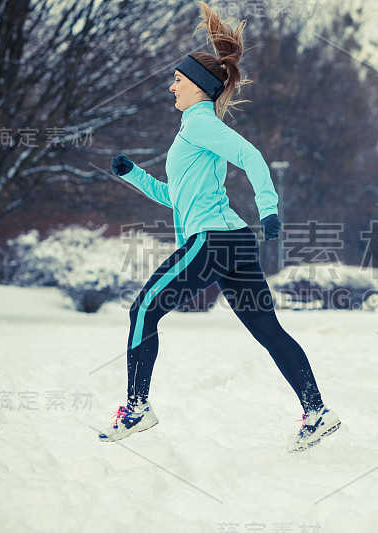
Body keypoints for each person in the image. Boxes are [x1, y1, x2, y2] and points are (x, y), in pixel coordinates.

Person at [99, 1, 340, 452]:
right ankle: (317, 411)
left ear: (197, 87)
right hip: (233, 244)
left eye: (177, 79)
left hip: (213, 241)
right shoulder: (193, 130)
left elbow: (251, 156)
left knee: (143, 310)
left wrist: (269, 208)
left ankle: (135, 407)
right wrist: (134, 175)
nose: (170, 86)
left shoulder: (200, 125)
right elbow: (177, 198)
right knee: (268, 331)